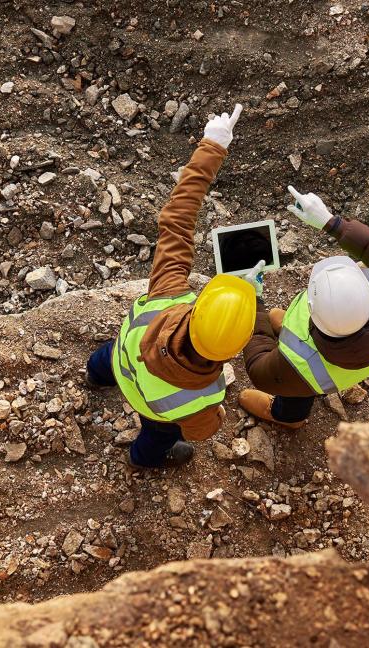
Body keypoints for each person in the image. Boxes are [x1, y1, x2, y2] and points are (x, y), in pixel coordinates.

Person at [85, 104, 256, 469]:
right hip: (153, 409)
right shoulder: (207, 394)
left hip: (122, 359)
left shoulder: (169, 293)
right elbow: (200, 430)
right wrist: (219, 419)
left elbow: (177, 218)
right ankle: (143, 460)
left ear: (199, 306)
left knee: (105, 359)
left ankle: (95, 376)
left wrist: (213, 145)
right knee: (158, 438)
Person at [238, 186, 369, 428]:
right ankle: (286, 330)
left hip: (308, 376)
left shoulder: (299, 364)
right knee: (298, 371)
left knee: (297, 392)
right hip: (360, 354)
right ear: (368, 291)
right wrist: (330, 222)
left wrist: (254, 302)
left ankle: (288, 417)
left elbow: (258, 366)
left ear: (311, 312)